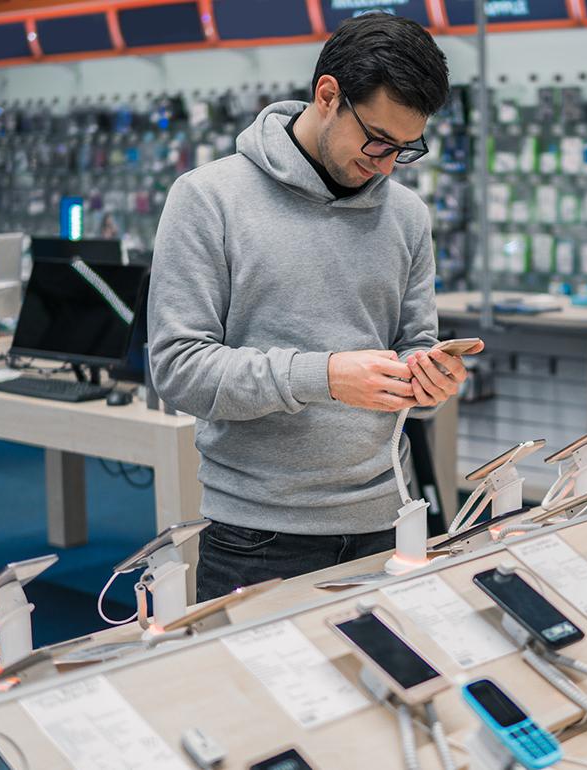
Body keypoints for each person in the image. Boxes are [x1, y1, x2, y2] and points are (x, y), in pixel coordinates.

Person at [148, 14, 481, 601]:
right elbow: (179, 371)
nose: (384, 165)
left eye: (406, 150)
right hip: (257, 535)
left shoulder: (406, 216)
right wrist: (324, 376)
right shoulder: (207, 199)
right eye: (377, 141)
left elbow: (413, 343)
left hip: (386, 519)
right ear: (327, 95)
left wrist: (427, 378)